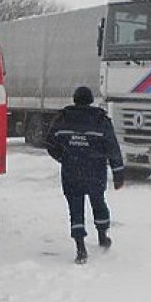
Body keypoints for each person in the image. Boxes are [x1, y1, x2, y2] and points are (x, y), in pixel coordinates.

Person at [45, 86, 125, 264]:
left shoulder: (63, 118)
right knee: (98, 202)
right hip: (95, 171)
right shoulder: (100, 120)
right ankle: (103, 236)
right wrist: (118, 173)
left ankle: (80, 247)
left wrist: (64, 157)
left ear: (74, 99)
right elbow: (112, 147)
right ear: (90, 100)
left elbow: (50, 142)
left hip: (71, 171)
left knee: (75, 208)